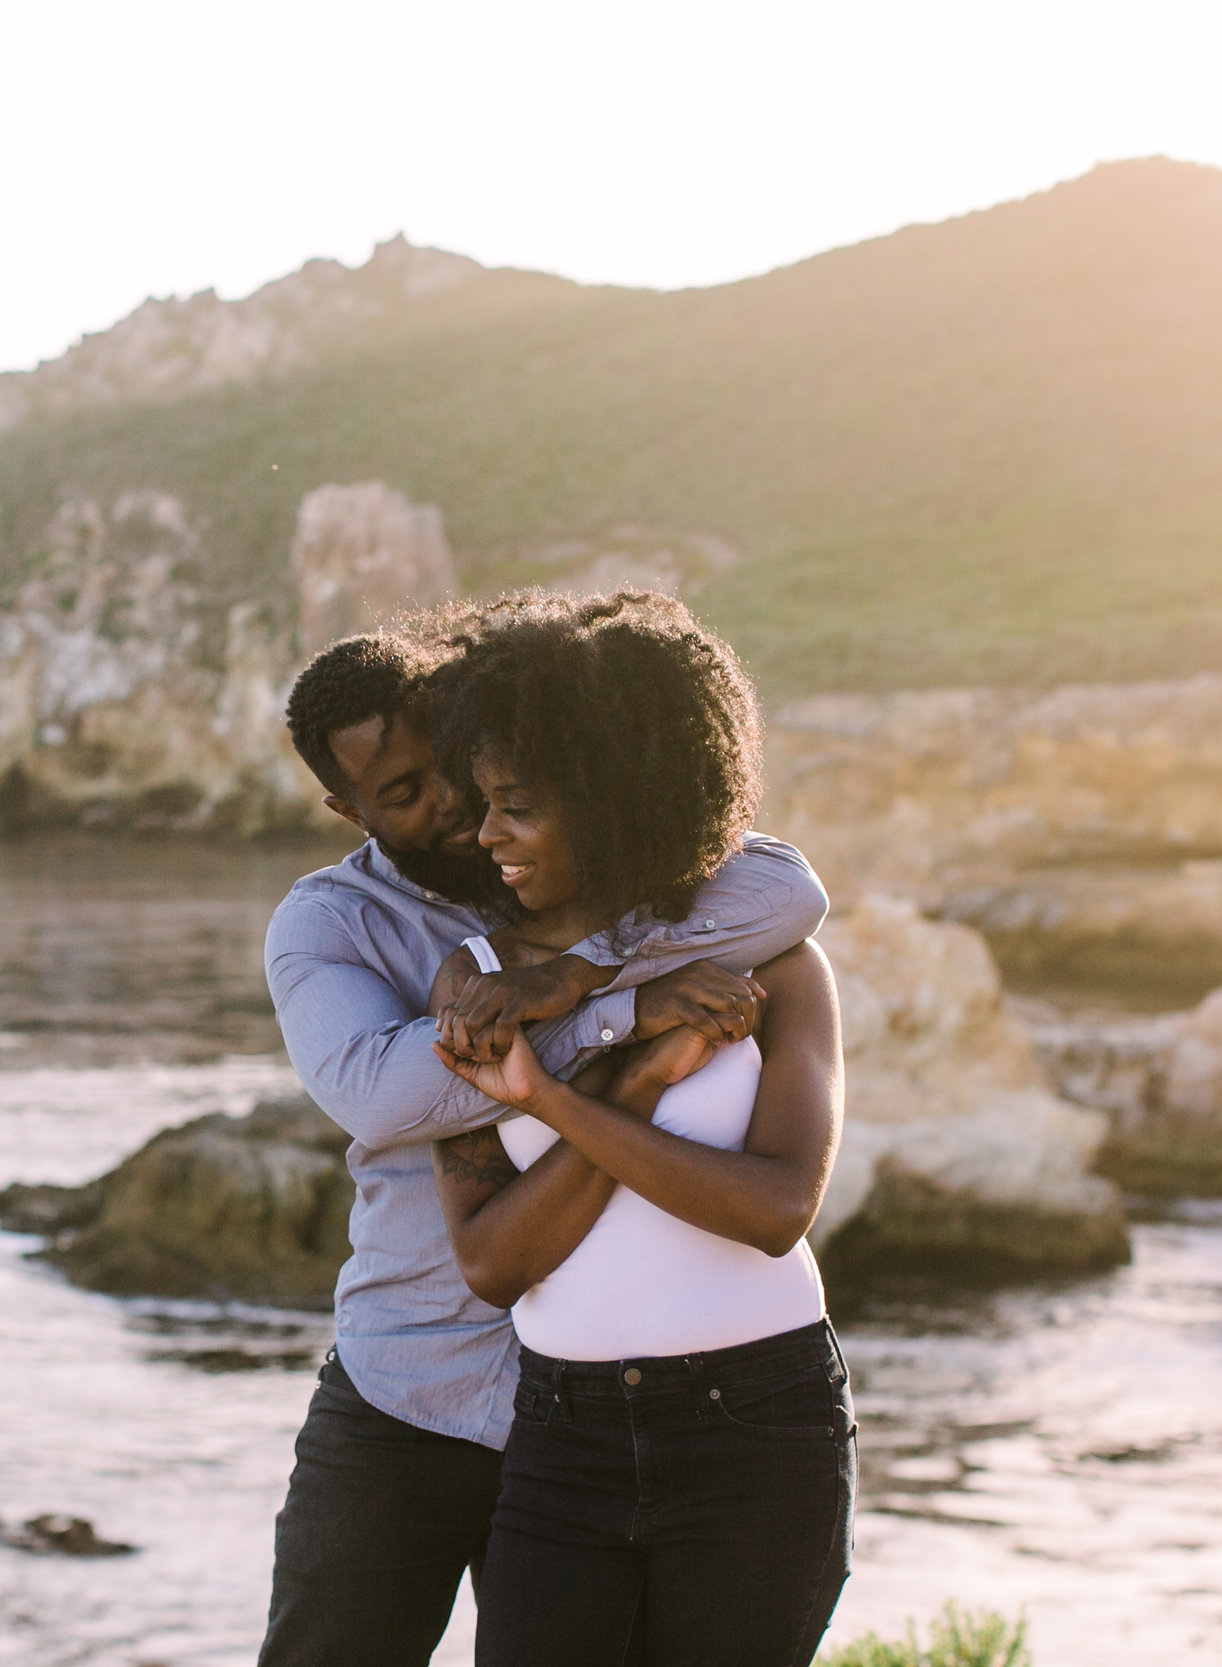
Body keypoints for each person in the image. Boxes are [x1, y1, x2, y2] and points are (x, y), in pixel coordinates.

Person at [258, 609, 834, 1667]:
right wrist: (625, 1015)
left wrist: (575, 970)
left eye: (456, 770)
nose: (449, 809)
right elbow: (387, 1096)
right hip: (414, 1386)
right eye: (396, 792)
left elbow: (787, 887)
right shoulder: (329, 922)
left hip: (597, 1408)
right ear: (345, 805)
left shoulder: (618, 876)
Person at [423, 591, 853, 1667]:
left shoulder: (779, 965)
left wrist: (558, 1096)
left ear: (611, 796)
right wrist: (634, 1075)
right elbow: (489, 1259)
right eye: (481, 802)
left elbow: (774, 1209)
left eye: (515, 804)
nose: (486, 836)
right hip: (560, 1437)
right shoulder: (474, 985)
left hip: (759, 1422)